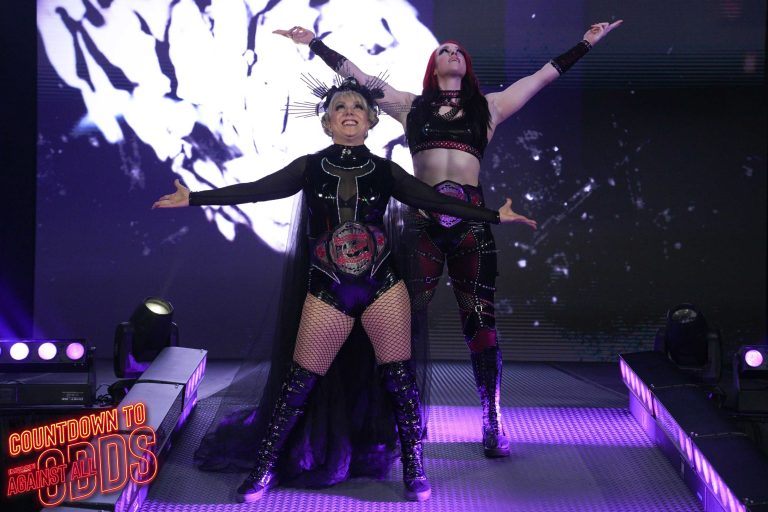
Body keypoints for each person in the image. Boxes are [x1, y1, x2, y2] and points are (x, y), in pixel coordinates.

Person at [153, 77, 536, 503]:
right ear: (327, 122)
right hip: (328, 286)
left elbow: (435, 201)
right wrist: (195, 198)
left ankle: (414, 466)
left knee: (399, 379)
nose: (349, 111)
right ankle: (264, 466)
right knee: (298, 383)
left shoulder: (386, 172)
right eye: (340, 107)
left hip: (382, 285)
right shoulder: (309, 167)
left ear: (371, 120)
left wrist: (494, 216)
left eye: (357, 106)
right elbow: (258, 190)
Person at [275, 19, 621, 458]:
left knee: (480, 323)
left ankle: (492, 418)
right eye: (444, 50)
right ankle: (400, 418)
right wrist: (315, 44)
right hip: (421, 227)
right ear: (433, 65)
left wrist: (585, 43)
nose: (452, 52)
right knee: (402, 321)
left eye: (458, 50)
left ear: (467, 65)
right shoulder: (409, 107)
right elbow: (358, 77)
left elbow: (541, 78)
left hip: (470, 229)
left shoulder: (489, 108)